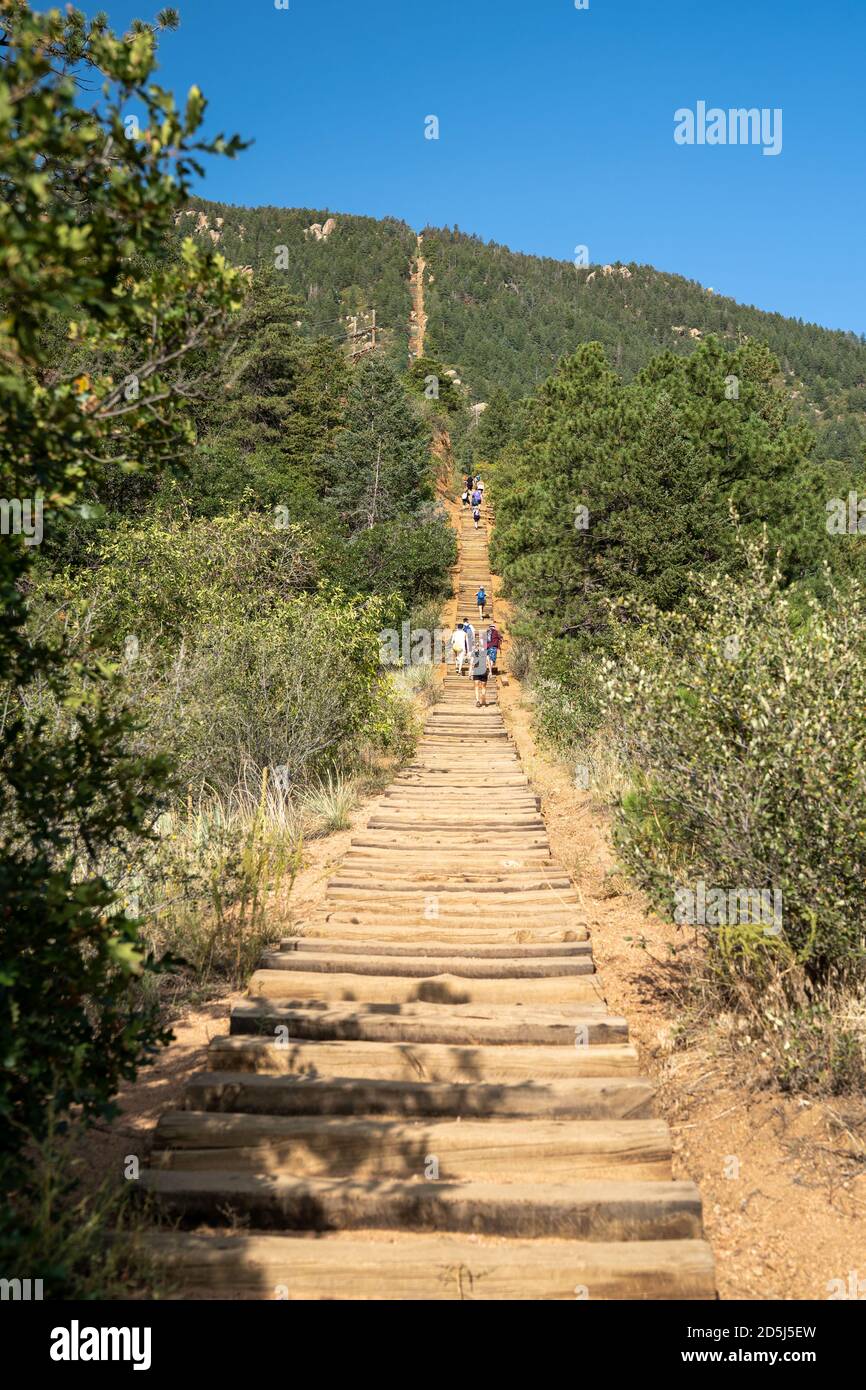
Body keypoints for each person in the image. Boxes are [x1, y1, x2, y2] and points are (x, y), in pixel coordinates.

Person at [470, 637, 489, 706]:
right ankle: (483, 696)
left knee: (476, 687)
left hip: (476, 671)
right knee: (483, 687)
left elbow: (471, 663)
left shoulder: (474, 653)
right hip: (484, 671)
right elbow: (488, 661)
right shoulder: (485, 653)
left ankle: (477, 700)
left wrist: (470, 673)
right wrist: (490, 671)